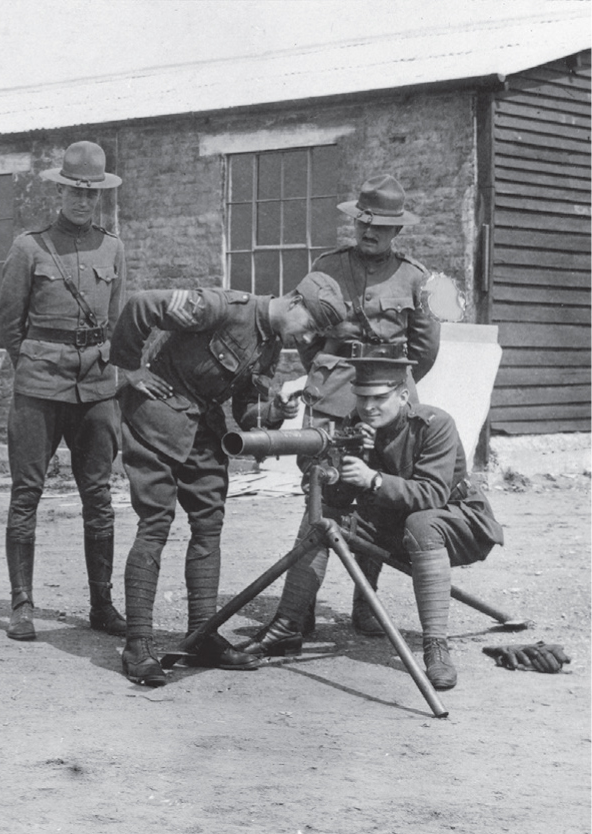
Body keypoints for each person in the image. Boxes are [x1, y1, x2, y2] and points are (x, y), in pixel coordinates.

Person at [108, 272, 350, 686]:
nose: (308, 337)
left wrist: (275, 411)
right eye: (309, 325)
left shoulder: (270, 346)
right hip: (156, 421)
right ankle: (138, 643)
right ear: (294, 302)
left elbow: (244, 413)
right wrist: (129, 367)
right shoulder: (222, 306)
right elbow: (142, 304)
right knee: (155, 525)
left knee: (209, 524)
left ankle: (201, 634)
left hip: (202, 428)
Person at [237, 358, 504, 692]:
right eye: (362, 398)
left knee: (422, 522)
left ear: (404, 396)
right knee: (323, 517)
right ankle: (287, 624)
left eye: (379, 398)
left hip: (460, 523)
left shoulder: (434, 425)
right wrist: (331, 474)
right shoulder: (357, 427)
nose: (368, 407)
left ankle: (436, 645)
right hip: (401, 526)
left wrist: (374, 479)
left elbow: (433, 494)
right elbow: (343, 496)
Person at [298, 174, 442, 636]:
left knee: (380, 499)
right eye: (364, 221)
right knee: (321, 494)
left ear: (397, 230)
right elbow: (306, 335)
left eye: (381, 225)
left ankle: (366, 604)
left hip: (387, 400)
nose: (370, 231)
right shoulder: (326, 267)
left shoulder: (415, 277)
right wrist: (328, 376)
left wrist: (389, 393)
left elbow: (424, 348)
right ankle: (298, 609)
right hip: (333, 396)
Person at [0, 141, 127, 642]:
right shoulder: (29, 247)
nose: (82, 201)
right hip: (39, 384)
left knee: (98, 495)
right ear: (61, 190)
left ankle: (102, 605)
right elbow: (9, 323)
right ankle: (22, 606)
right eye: (75, 191)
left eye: (91, 194)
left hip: (96, 386)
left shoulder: (112, 248)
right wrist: (34, 365)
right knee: (26, 493)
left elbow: (115, 321)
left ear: (100, 198)